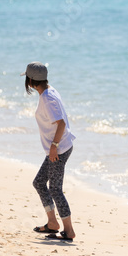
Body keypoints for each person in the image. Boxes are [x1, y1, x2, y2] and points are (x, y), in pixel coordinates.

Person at [24, 61, 77, 241]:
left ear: (31, 81)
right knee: (39, 182)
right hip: (58, 148)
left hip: (59, 149)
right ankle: (52, 223)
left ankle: (69, 230)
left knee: (55, 189)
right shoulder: (48, 91)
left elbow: (60, 123)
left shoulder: (47, 98)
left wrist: (54, 146)